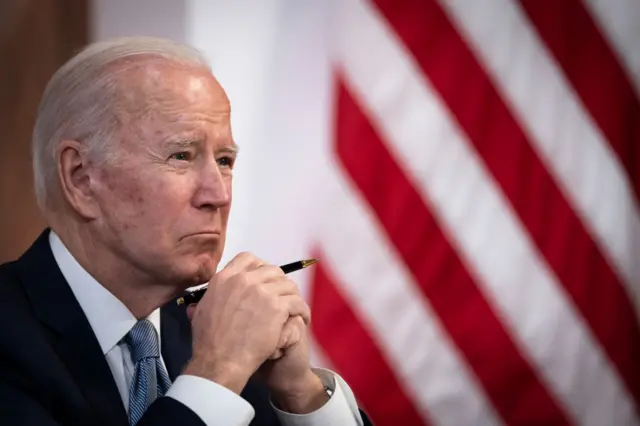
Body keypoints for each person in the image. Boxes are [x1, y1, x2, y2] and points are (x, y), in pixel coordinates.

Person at [0, 36, 372, 425]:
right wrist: (217, 371)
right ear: (81, 179)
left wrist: (300, 392)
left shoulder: (218, 331)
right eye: (181, 155)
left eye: (225, 160)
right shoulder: (12, 339)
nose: (219, 193)